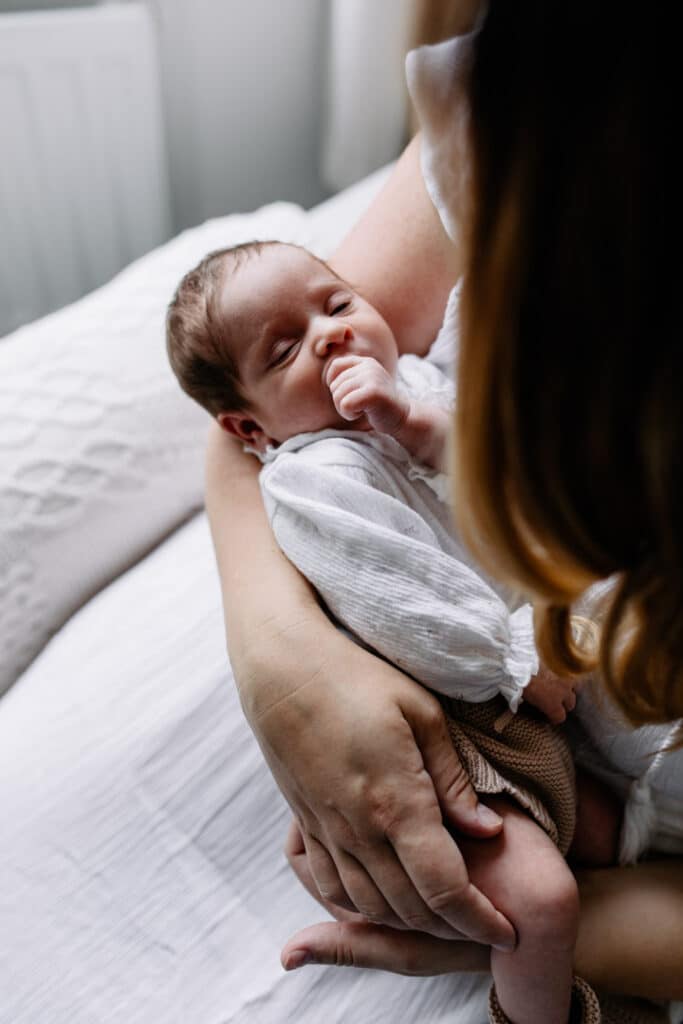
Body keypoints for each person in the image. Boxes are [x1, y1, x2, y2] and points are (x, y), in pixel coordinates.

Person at [203, 2, 683, 1019]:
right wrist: (286, 669)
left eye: (335, 313)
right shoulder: (543, 92)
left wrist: (525, 939)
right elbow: (253, 417)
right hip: (528, 722)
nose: (332, 338)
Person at [167, 237, 623, 1021]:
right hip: (463, 701)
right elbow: (400, 596)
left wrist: (416, 423)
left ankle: (441, 939)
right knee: (541, 902)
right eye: (286, 351)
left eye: (338, 303)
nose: (332, 334)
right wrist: (511, 660)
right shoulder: (311, 477)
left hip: (528, 666)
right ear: (249, 430)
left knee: (610, 836)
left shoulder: (414, 385)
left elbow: (499, 470)